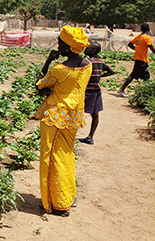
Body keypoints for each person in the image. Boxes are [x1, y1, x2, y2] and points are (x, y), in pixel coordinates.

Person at [35, 25, 91, 216]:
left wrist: (48, 60)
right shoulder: (88, 65)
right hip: (73, 117)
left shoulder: (59, 69)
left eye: (60, 42)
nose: (58, 45)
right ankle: (66, 195)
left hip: (54, 117)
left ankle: (56, 203)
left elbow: (40, 85)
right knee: (66, 156)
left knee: (50, 158)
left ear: (67, 47)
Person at [79, 41, 114, 145]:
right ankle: (90, 137)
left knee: (77, 111)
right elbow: (112, 72)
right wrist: (100, 77)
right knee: (95, 114)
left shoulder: (87, 63)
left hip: (87, 91)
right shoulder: (101, 63)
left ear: (93, 50)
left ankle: (69, 136)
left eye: (87, 48)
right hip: (96, 91)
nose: (85, 49)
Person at [118, 23, 155, 97]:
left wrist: (137, 49)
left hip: (139, 58)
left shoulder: (138, 37)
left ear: (141, 29)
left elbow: (130, 44)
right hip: (142, 60)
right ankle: (121, 89)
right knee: (133, 75)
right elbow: (152, 49)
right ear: (148, 30)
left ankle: (145, 93)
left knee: (146, 76)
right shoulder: (146, 38)